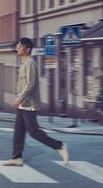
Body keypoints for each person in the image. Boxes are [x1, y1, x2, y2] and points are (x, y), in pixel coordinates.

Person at [4, 37, 70, 167]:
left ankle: (60, 145)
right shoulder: (24, 63)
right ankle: (16, 158)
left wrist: (19, 98)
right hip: (23, 104)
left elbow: (31, 84)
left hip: (29, 103)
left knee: (33, 131)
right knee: (18, 130)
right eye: (17, 46)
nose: (18, 48)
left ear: (27, 49)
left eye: (20, 46)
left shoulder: (30, 64)